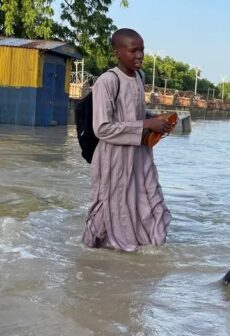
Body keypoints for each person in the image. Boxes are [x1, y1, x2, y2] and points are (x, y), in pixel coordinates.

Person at [82, 28, 173, 251]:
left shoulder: (139, 77)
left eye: (142, 50)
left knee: (147, 199)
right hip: (114, 158)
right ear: (118, 53)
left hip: (140, 156)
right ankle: (102, 254)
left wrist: (156, 120)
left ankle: (144, 250)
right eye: (133, 51)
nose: (139, 55)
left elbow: (135, 114)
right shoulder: (108, 81)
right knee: (113, 206)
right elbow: (102, 128)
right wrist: (146, 124)